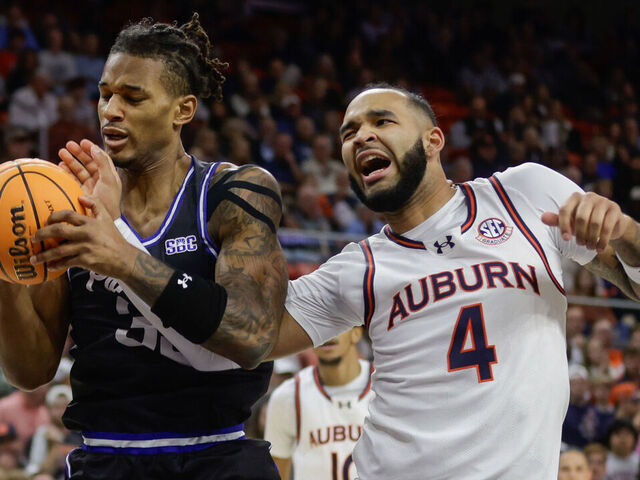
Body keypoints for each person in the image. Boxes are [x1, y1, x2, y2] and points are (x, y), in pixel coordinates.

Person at [266, 84, 640, 479]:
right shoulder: (357, 269)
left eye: (381, 121)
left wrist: (628, 232)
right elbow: (243, 339)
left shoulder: (524, 194)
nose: (361, 136)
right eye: (348, 132)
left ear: (433, 140)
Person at [0, 14, 286, 480]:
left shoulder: (233, 192)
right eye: (105, 94)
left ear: (183, 109)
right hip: (107, 456)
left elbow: (250, 337)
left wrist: (119, 249)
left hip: (217, 455)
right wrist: (6, 269)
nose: (111, 110)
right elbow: (31, 370)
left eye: (133, 98)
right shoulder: (66, 199)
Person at [264, 327, 373, 480]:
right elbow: (278, 473)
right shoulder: (287, 396)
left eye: (337, 323)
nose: (328, 332)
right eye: (318, 324)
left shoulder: (385, 387)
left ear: (356, 333)